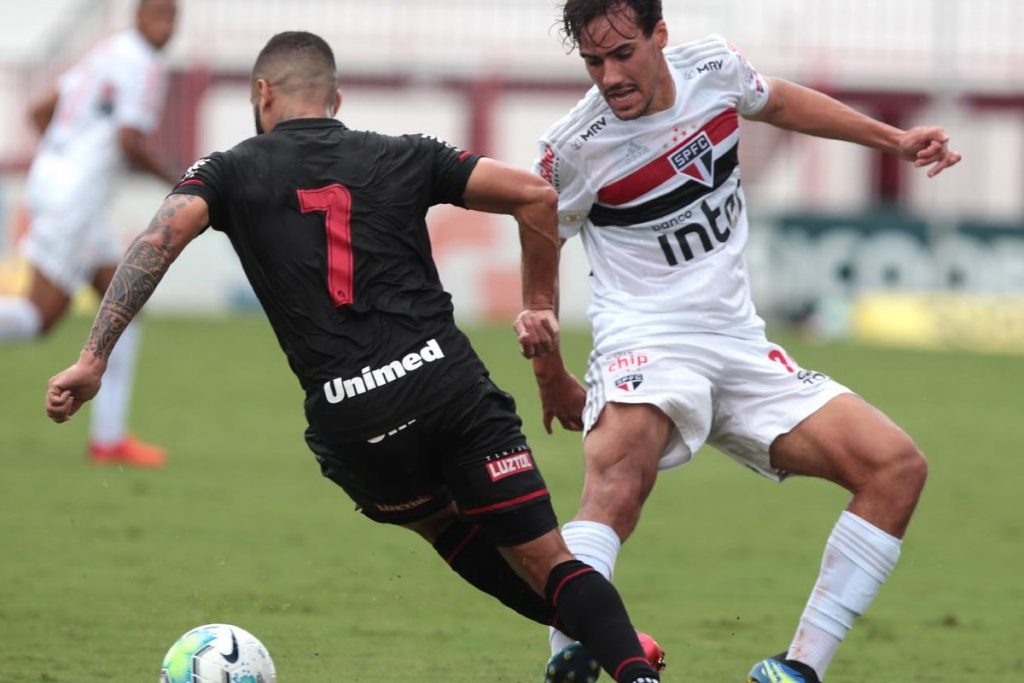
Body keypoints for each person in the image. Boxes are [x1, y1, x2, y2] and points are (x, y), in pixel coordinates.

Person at [45, 31, 663, 683]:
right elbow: (536, 196)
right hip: (447, 388)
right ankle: (615, 644)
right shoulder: (401, 154)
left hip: (356, 420)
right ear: (335, 100)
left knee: (440, 525)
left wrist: (93, 356)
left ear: (262, 94)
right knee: (551, 559)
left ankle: (598, 635)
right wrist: (539, 311)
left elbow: (157, 239)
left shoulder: (227, 171)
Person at [525, 1, 962, 681]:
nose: (609, 76)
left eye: (622, 53)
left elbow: (781, 103)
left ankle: (797, 669)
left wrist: (894, 140)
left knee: (895, 467)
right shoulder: (575, 146)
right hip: (645, 338)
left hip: (739, 341)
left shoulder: (714, 69)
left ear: (659, 35)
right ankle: (571, 659)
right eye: (593, 61)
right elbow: (538, 228)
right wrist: (550, 371)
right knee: (619, 481)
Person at [0, 0, 179, 467]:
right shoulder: (143, 63)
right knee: (36, 318)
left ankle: (109, 439)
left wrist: (64, 164)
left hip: (58, 186)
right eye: (159, 14)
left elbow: (40, 112)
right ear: (137, 15)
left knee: (122, 299)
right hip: (75, 202)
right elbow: (129, 141)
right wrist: (184, 184)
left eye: (174, 16)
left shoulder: (106, 50)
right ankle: (109, 438)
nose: (168, 26)